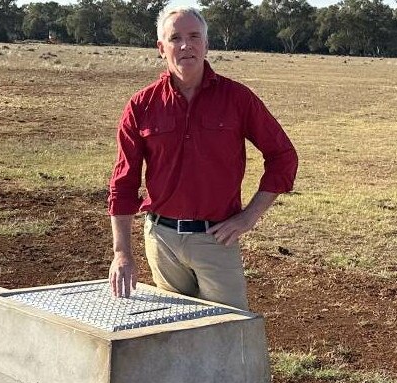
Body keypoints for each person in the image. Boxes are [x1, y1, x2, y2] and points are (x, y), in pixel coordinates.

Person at [107, 6, 298, 311]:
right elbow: (123, 182)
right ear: (161, 48)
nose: (186, 45)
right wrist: (122, 253)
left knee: (228, 334)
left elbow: (283, 156)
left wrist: (249, 217)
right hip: (162, 241)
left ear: (206, 44)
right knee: (172, 332)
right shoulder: (141, 105)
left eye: (194, 36)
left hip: (216, 239)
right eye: (175, 38)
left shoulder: (237, 99)